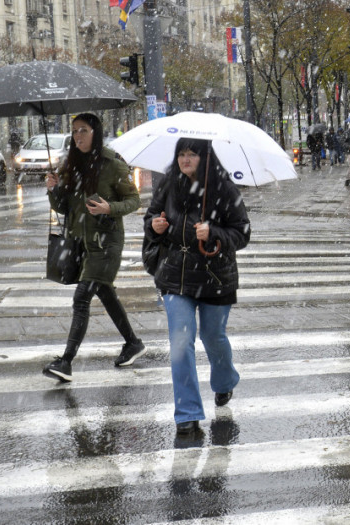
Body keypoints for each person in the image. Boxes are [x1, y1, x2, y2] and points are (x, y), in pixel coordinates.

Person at [143, 138, 251, 435]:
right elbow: (151, 216)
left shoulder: (224, 188)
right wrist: (155, 225)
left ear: (205, 157)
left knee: (213, 336)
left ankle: (225, 380)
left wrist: (213, 232)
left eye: (192, 153)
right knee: (180, 343)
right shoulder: (168, 184)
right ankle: (187, 414)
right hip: (175, 277)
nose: (185, 159)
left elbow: (242, 232)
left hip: (215, 279)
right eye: (181, 153)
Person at [42, 113, 144, 382]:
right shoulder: (71, 164)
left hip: (106, 243)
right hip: (81, 244)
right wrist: (53, 190)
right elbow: (64, 208)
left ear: (95, 133)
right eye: (75, 131)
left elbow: (134, 201)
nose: (78, 136)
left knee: (82, 297)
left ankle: (66, 362)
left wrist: (111, 208)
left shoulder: (112, 164)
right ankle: (132, 342)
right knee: (105, 293)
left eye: (83, 131)